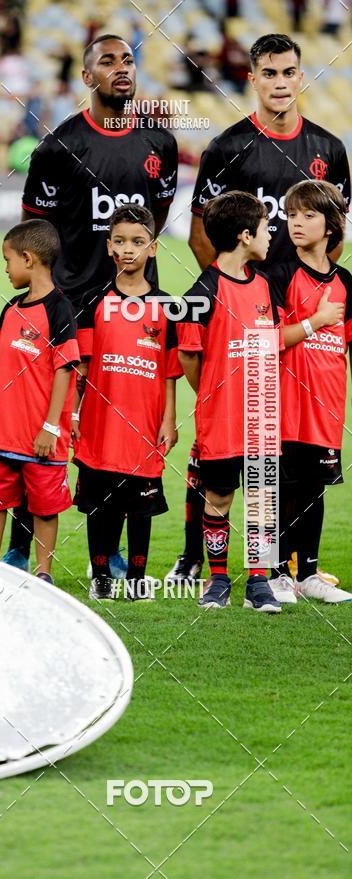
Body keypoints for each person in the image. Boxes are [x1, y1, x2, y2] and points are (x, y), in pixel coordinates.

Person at [168, 32, 351, 586]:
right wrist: (232, 292)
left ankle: (286, 564)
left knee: (287, 448)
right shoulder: (226, 149)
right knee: (214, 446)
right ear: (252, 78)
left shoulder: (329, 150)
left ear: (301, 76)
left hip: (299, 324)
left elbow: (334, 236)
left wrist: (305, 298)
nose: (279, 82)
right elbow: (201, 235)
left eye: (288, 71)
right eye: (268, 73)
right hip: (242, 317)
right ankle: (193, 557)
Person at [7, 33, 179, 575]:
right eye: (108, 61)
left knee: (123, 423)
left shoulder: (160, 143)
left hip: (132, 309)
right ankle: (21, 544)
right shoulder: (57, 148)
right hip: (70, 307)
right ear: (87, 77)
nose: (121, 68)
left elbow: (155, 219)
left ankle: (113, 552)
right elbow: (36, 233)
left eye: (128, 60)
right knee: (47, 423)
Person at [178, 191, 283, 612]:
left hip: (261, 417)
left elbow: (272, 343)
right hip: (220, 420)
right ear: (245, 235)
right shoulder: (202, 290)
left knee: (261, 499)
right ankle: (218, 579)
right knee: (218, 497)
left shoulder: (265, 285)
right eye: (265, 227)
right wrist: (213, 393)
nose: (271, 235)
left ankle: (259, 582)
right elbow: (188, 355)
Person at [73, 204, 179, 600]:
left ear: (153, 248)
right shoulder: (93, 301)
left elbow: (169, 372)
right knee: (100, 505)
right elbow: (81, 369)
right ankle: (101, 578)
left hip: (144, 423)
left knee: (140, 506)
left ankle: (136, 579)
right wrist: (73, 414)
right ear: (109, 247)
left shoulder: (167, 306)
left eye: (137, 241)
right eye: (119, 241)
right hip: (100, 424)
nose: (128, 249)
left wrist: (168, 419)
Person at [0, 220, 79, 584]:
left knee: (45, 506)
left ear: (28, 258)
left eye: (7, 260)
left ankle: (43, 573)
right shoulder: (10, 309)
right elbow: (2, 370)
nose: (5, 269)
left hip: (41, 435)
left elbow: (65, 370)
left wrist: (51, 427)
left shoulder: (60, 309)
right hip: (3, 431)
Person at [270, 180, 352, 603]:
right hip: (285, 404)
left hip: (327, 405)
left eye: (308, 215)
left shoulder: (347, 283)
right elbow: (268, 339)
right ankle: (277, 574)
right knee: (282, 489)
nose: (296, 222)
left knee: (313, 490)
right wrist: (316, 321)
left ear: (331, 225)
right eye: (291, 215)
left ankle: (308, 574)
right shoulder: (279, 275)